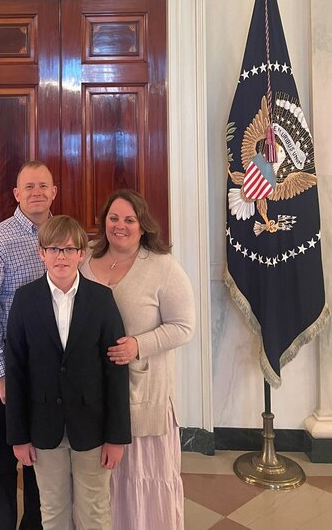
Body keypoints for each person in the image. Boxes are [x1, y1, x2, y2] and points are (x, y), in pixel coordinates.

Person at [5, 215, 131, 530]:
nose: (61, 256)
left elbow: (115, 371)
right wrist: (19, 436)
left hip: (92, 427)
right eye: (53, 249)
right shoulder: (25, 300)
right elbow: (16, 371)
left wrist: (116, 437)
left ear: (81, 254)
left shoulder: (101, 300)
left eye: (69, 249)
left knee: (94, 512)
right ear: (41, 253)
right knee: (53, 510)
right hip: (43, 427)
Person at [80, 189, 196, 530]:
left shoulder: (162, 267)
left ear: (142, 225)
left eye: (129, 220)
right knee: (98, 485)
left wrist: (138, 345)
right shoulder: (84, 258)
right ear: (103, 222)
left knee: (141, 482)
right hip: (92, 396)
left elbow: (184, 326)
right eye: (113, 218)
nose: (120, 226)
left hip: (143, 396)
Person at [0, 160, 57, 530]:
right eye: (29, 187)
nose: (37, 192)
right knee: (4, 460)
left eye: (44, 186)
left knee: (46, 458)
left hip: (53, 371)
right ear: (17, 195)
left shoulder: (64, 236)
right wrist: (1, 374)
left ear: (54, 192)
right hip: (10, 371)